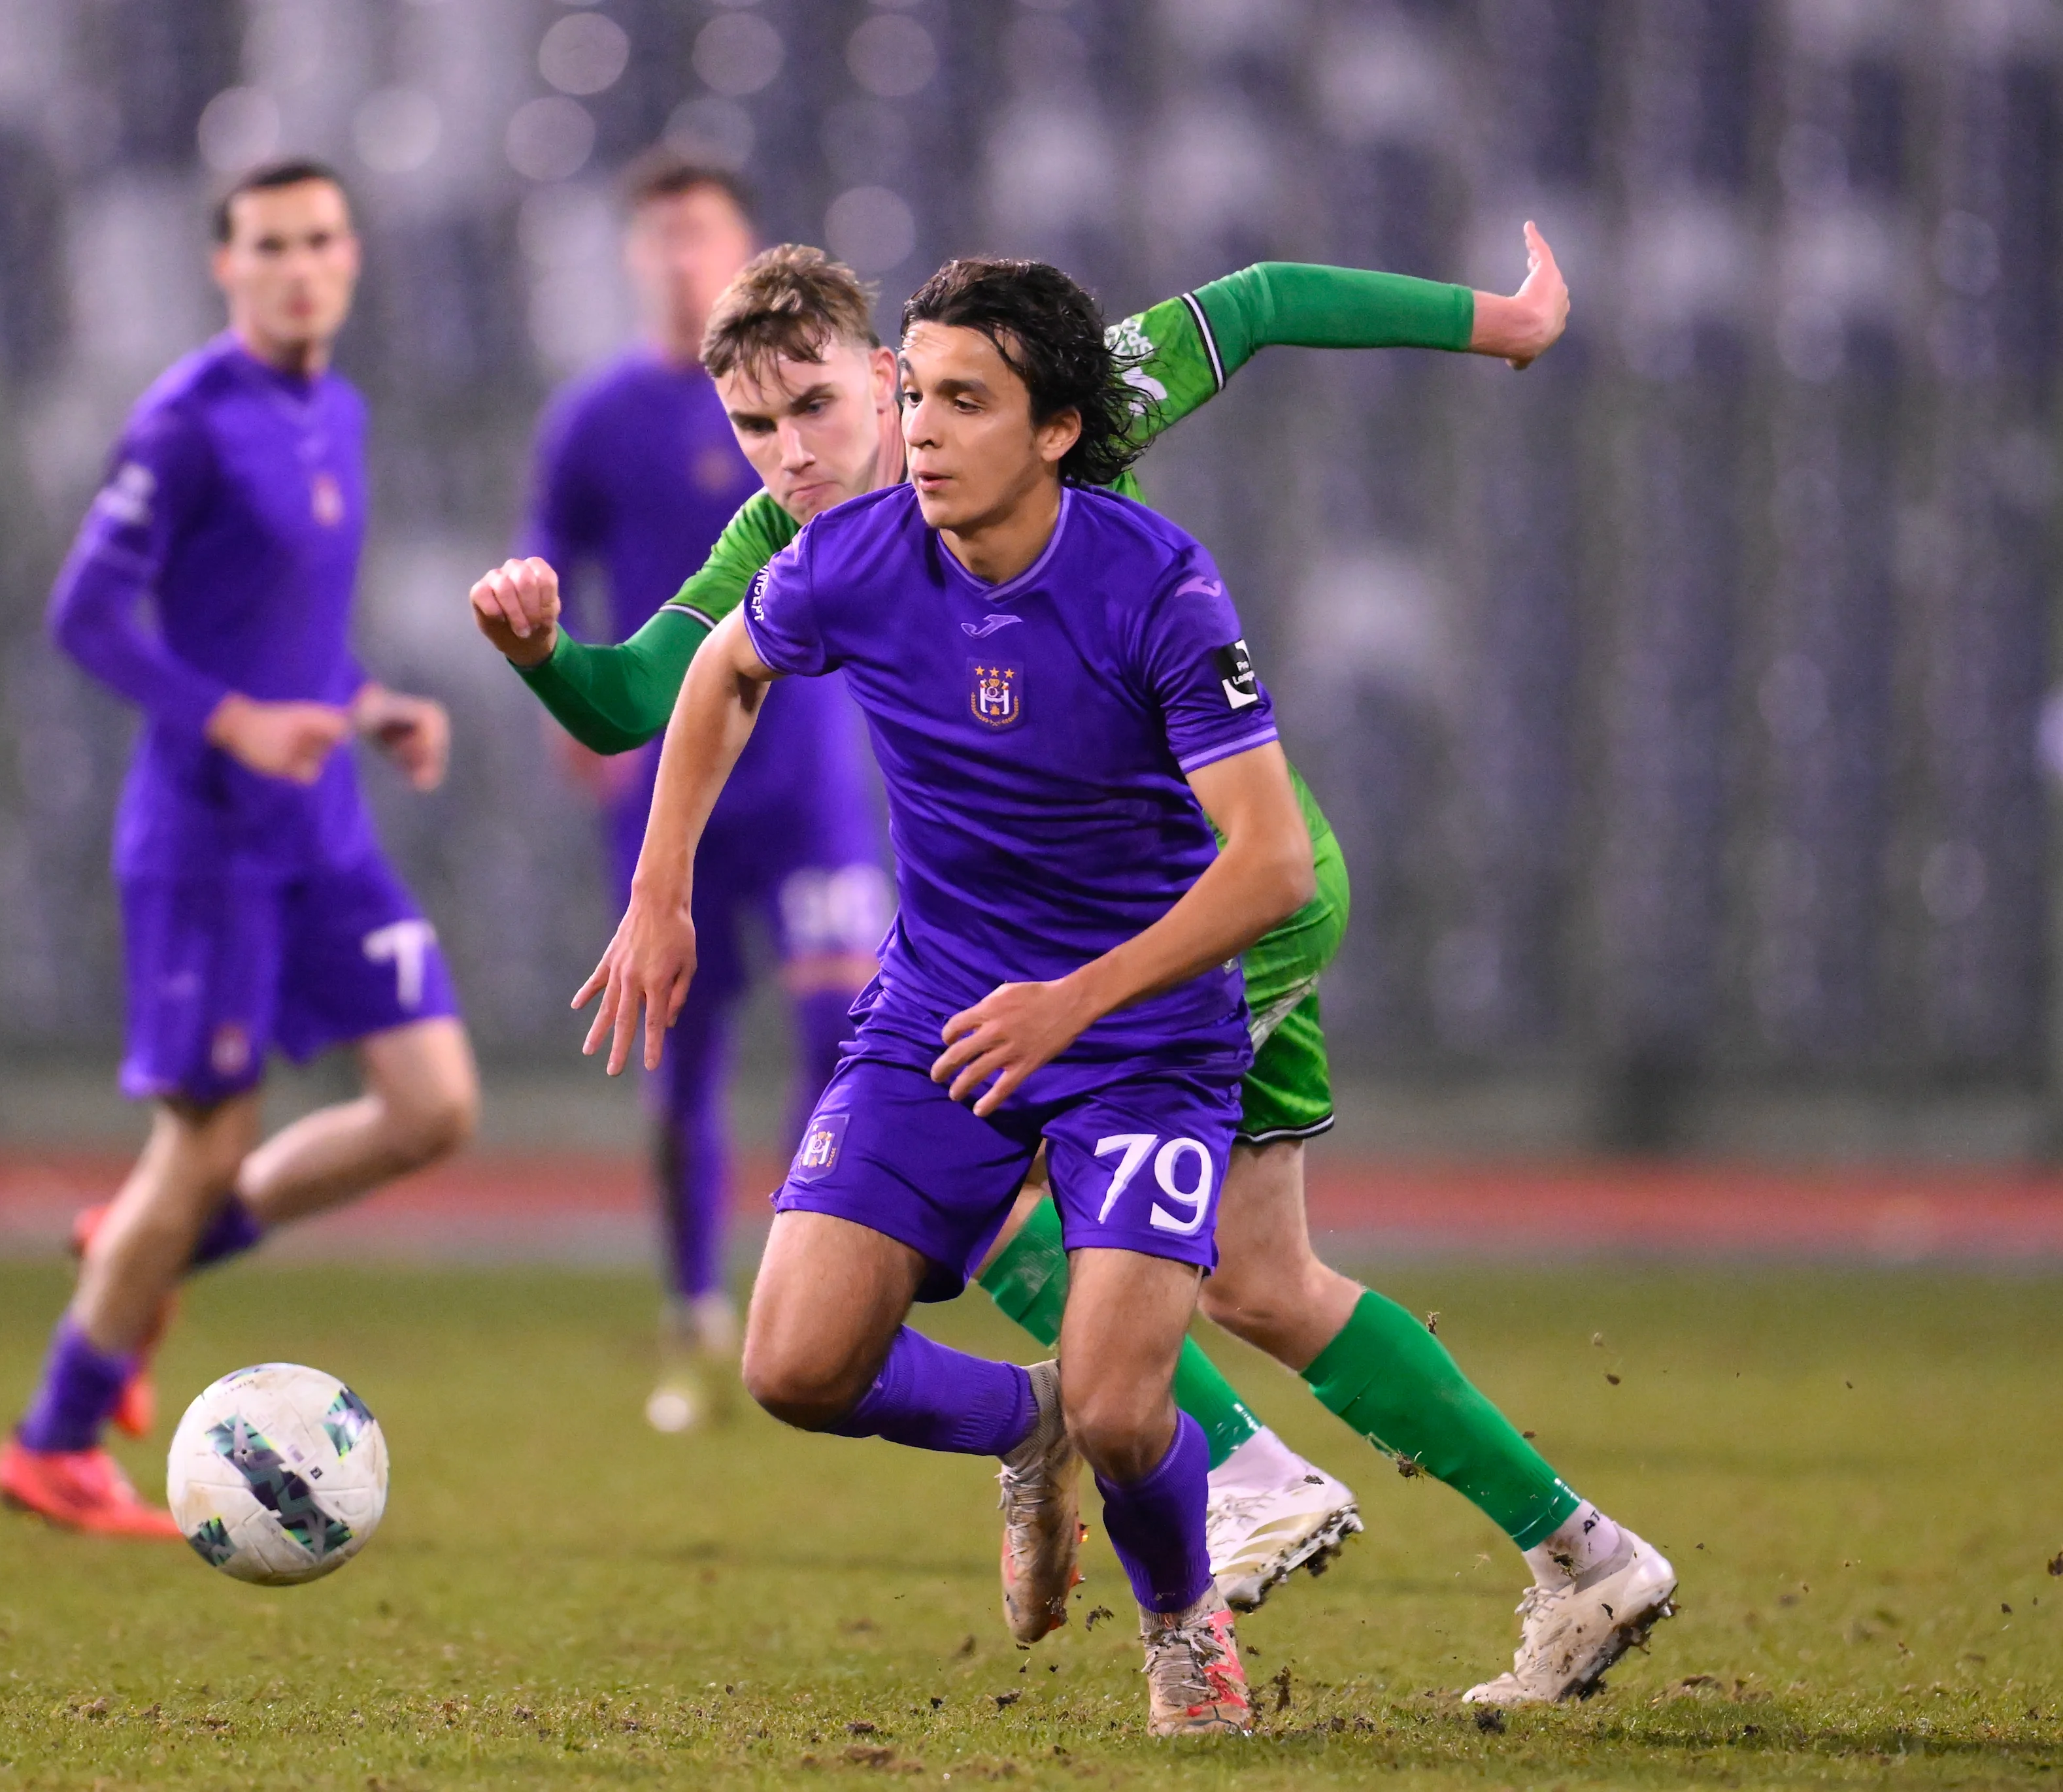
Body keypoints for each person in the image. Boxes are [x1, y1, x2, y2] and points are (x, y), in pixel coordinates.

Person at [476, 233, 1681, 1705]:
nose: (794, 457)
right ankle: (1564, 1550)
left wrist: (1507, 323)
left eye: (822, 410)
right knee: (1254, 1273)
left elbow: (1264, 302)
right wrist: (547, 665)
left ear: (890, 379)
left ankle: (1213, 1474)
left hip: (1206, 907)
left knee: (1104, 1216)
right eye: (754, 429)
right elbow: (645, 698)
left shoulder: (1048, 404)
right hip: (1005, 951)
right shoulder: (790, 553)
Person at [583, 258, 1324, 1733]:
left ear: (1054, 430)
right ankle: (1015, 1417)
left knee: (1131, 1409)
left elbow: (1274, 868)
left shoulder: (1156, 583)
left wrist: (1075, 1003)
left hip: (1144, 1039)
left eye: (963, 401)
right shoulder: (853, 559)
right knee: (794, 1364)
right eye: (913, 393)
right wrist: (659, 891)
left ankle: (1181, 1622)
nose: (918, 429)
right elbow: (720, 676)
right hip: (939, 1015)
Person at [0, 159, 478, 1537]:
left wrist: (364, 706)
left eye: (321, 239)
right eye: (270, 245)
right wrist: (235, 721)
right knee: (204, 1146)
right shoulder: (187, 421)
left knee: (433, 1106)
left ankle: (143, 1252)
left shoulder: (341, 409)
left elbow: (284, 623)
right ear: (227, 267)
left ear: (355, 255)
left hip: (322, 826)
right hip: (205, 841)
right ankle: (55, 1441)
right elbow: (85, 613)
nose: (300, 265)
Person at [519, 154, 888, 1431]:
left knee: (841, 1035)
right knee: (681, 1059)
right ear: (635, 257)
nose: (684, 260)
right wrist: (564, 676)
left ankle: (810, 1289)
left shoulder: (833, 416)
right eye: (663, 238)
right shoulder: (594, 419)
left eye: (706, 236)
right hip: (679, 785)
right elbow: (551, 562)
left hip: (810, 774)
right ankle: (693, 1312)